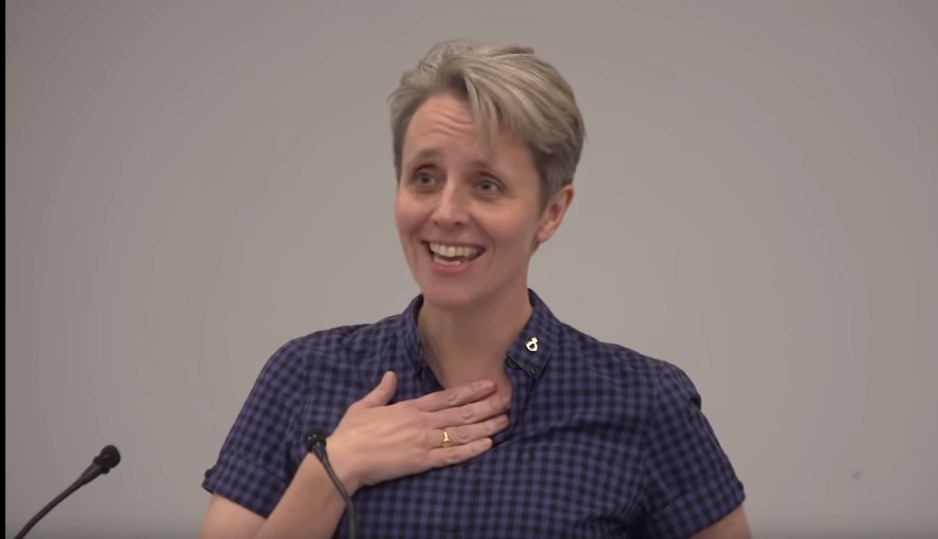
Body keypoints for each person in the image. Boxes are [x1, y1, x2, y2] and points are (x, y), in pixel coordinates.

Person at [198, 39, 750, 539]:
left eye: (487, 185)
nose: (446, 212)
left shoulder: (645, 403)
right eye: (425, 177)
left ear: (551, 213)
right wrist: (333, 470)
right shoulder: (303, 376)